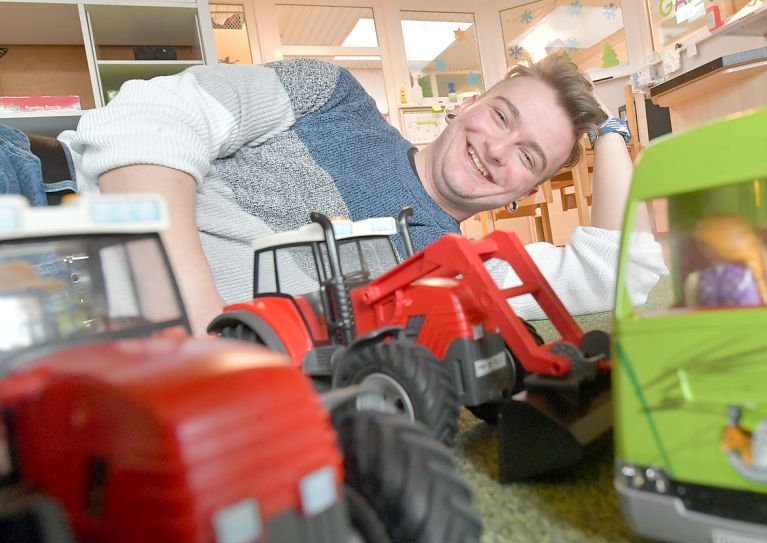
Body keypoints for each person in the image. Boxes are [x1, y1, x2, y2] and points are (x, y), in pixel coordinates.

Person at [58, 54, 667, 335]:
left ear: (523, 194)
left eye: (529, 157)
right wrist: (197, 317)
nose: (499, 150)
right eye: (502, 116)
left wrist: (611, 132)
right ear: (467, 106)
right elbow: (146, 115)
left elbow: (622, 272)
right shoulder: (333, 96)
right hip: (71, 251)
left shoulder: (454, 273)